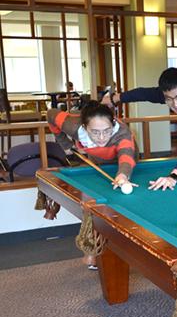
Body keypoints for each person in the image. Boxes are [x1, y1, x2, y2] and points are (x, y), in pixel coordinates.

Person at [47, 101, 138, 268]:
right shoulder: (72, 126)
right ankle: (96, 249)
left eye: (106, 131)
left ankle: (128, 249)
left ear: (113, 124)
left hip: (125, 164)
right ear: (84, 127)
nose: (102, 137)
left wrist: (123, 175)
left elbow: (126, 156)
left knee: (124, 205)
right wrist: (65, 144)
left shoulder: (122, 133)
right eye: (95, 133)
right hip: (98, 164)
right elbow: (51, 115)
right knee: (97, 205)